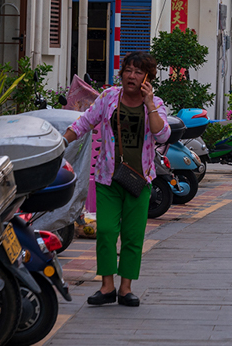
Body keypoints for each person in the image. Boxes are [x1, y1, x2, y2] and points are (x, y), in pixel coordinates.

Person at [63, 51, 171, 306]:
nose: (131, 76)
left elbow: (162, 134)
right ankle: (106, 286)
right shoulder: (109, 97)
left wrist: (149, 104)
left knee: (133, 236)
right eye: (128, 70)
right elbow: (84, 122)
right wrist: (60, 142)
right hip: (108, 177)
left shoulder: (155, 103)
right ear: (121, 73)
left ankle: (125, 288)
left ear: (147, 78)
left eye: (138, 72)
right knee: (107, 231)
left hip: (139, 180)